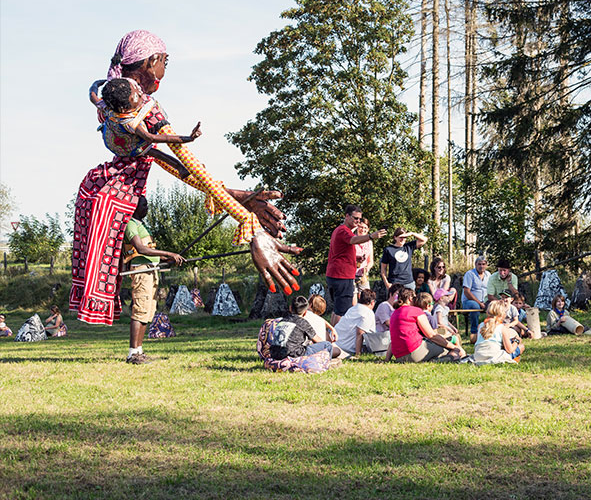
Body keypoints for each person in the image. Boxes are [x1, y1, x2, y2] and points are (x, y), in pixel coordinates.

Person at [72, 30, 301, 326]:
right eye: (166, 61)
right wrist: (250, 225)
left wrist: (238, 197)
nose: (165, 70)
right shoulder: (143, 109)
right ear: (152, 61)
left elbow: (182, 170)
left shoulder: (111, 99)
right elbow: (188, 161)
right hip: (126, 177)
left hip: (107, 182)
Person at [122, 196, 185, 364]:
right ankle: (132, 353)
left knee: (148, 311)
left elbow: (150, 252)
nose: (147, 207)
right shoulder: (130, 224)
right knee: (140, 310)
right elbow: (140, 249)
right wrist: (169, 253)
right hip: (142, 271)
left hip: (152, 270)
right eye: (144, 204)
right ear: (135, 207)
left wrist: (168, 260)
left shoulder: (142, 225)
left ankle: (139, 351)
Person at [326, 205, 387, 325]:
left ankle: (331, 337)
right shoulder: (343, 230)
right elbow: (353, 240)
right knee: (343, 311)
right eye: (355, 218)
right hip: (342, 276)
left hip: (337, 275)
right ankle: (337, 339)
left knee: (337, 309)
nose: (358, 221)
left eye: (359, 219)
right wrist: (371, 236)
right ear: (347, 216)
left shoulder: (341, 230)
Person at [387, 288, 465, 363]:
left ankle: (433, 359)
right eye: (415, 298)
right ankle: (444, 359)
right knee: (453, 351)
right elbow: (431, 335)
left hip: (399, 357)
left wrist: (387, 359)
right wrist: (453, 347)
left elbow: (392, 341)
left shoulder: (394, 313)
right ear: (410, 298)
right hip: (415, 352)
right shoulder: (416, 311)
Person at [270, 296, 342, 360]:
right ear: (305, 312)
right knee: (327, 345)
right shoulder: (303, 322)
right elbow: (319, 341)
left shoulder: (282, 320)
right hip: (294, 354)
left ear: (290, 308)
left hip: (274, 354)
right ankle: (322, 361)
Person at [473, 301, 524, 365]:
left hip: (478, 356)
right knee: (521, 347)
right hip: (494, 356)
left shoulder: (480, 326)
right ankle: (512, 358)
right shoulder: (502, 328)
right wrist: (517, 341)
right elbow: (510, 350)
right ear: (503, 314)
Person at [334, 289, 378, 357]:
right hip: (346, 349)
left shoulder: (352, 309)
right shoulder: (368, 313)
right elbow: (360, 333)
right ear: (372, 302)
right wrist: (358, 355)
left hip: (335, 343)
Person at [461, 256, 491, 343]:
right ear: (475, 265)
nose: (481, 266)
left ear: (486, 265)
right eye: (479, 264)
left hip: (484, 300)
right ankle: (474, 333)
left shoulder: (488, 275)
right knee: (475, 306)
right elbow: (467, 292)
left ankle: (491, 331)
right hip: (469, 301)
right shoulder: (470, 274)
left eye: (483, 264)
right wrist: (479, 303)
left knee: (494, 306)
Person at [354, 218, 375, 295]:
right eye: (361, 227)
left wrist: (367, 268)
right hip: (351, 275)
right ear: (357, 227)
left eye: (365, 228)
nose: (363, 230)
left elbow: (371, 261)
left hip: (363, 276)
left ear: (368, 229)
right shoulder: (352, 239)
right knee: (353, 301)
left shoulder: (369, 242)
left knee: (366, 299)